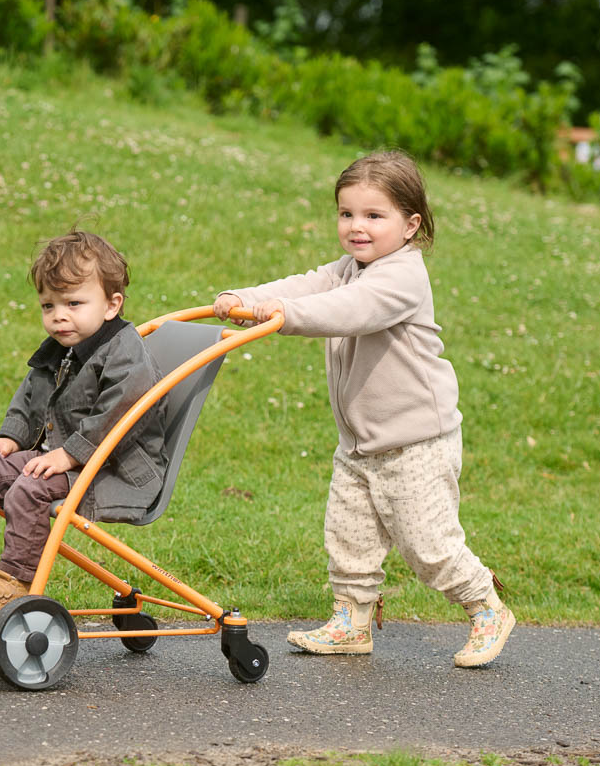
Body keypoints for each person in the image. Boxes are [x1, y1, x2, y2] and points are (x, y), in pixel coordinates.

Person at [213, 150, 515, 668]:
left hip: (416, 441)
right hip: (359, 441)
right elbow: (307, 284)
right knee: (348, 535)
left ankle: (486, 608)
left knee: (428, 545)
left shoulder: (401, 278)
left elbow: (348, 312)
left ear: (410, 224)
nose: (357, 227)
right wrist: (247, 296)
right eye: (346, 214)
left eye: (374, 216)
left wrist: (284, 317)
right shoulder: (351, 267)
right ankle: (352, 620)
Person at [0, 230, 168, 632]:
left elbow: (123, 411)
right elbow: (31, 394)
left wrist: (71, 453)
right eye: (49, 305)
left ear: (112, 305)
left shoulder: (126, 354)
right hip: (68, 461)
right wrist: (12, 437)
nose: (59, 315)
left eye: (74, 303)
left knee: (28, 488)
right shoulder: (63, 348)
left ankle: (14, 583)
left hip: (116, 470)